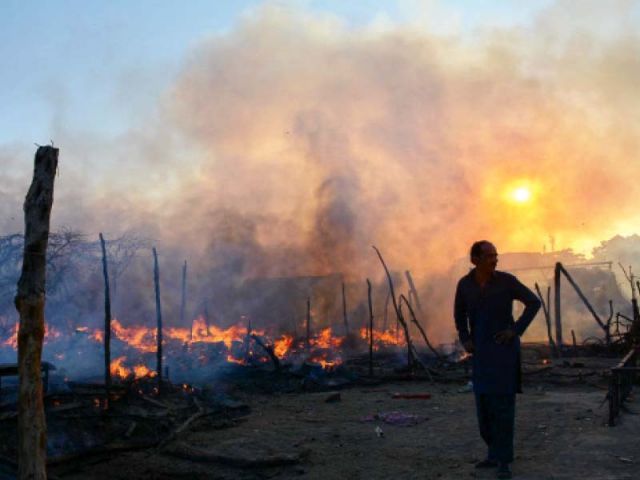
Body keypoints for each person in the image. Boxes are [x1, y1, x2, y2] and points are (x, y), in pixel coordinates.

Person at [454, 241, 541, 479]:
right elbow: (459, 315)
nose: (495, 260)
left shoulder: (506, 281)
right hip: (481, 354)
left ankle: (504, 460)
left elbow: (534, 302)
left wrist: (515, 330)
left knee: (503, 407)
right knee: (484, 408)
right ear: (475, 260)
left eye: (496, 255)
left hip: (503, 353)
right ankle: (492, 453)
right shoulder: (465, 285)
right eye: (489, 256)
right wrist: (465, 338)